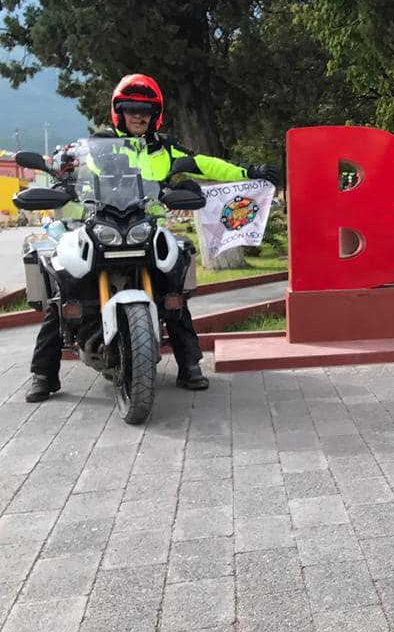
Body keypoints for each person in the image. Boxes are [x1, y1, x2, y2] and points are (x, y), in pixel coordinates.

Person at [26, 74, 278, 403]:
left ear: (155, 114)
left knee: (173, 293)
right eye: (131, 108)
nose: (138, 115)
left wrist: (249, 171)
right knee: (65, 293)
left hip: (145, 226)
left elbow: (205, 163)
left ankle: (190, 365)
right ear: (119, 112)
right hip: (101, 224)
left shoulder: (164, 148)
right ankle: (43, 374)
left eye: (146, 110)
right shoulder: (95, 147)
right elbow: (64, 164)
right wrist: (60, 169)